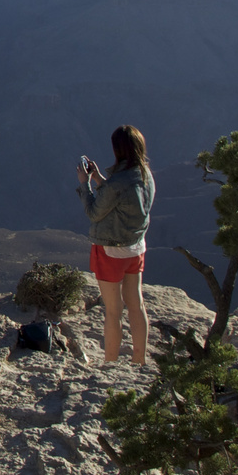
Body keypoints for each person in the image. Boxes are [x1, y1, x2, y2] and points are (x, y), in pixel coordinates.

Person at [77, 125, 157, 364]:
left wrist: (85, 184)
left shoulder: (116, 183)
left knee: (113, 311)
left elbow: (94, 212)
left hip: (110, 252)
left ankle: (111, 363)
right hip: (136, 248)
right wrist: (99, 178)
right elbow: (121, 198)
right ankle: (139, 360)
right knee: (136, 304)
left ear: (117, 150)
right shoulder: (146, 176)